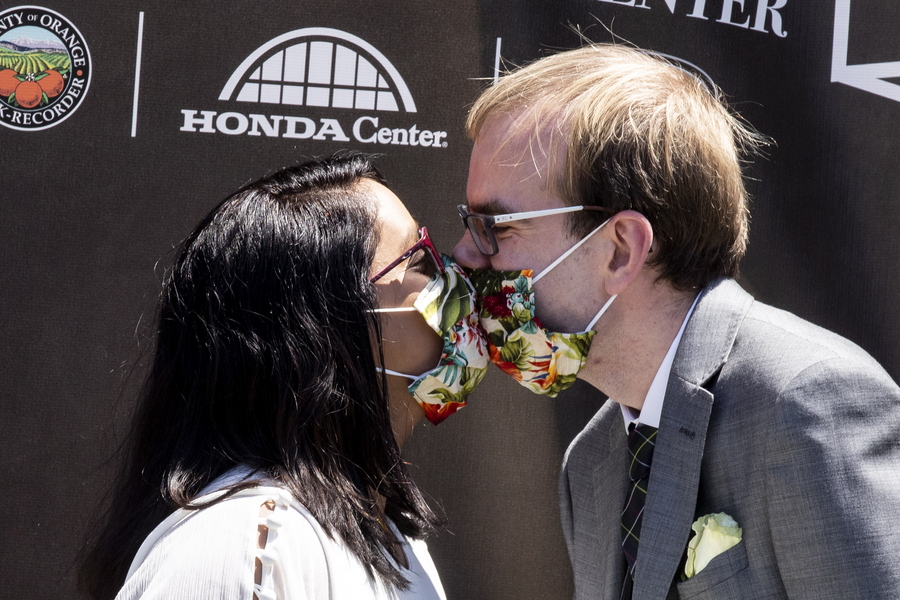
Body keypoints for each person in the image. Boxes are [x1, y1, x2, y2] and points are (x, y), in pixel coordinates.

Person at [452, 44, 900, 599]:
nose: (465, 253)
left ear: (621, 250)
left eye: (496, 226)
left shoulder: (809, 405)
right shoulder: (590, 462)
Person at [78, 152, 488, 600]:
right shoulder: (245, 546)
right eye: (419, 258)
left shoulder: (388, 535)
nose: (455, 268)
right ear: (324, 324)